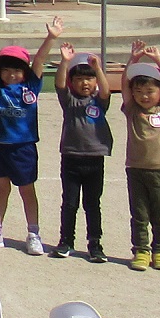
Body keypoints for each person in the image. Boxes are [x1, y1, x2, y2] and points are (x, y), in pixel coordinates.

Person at [0, 15, 62, 256]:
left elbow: (40, 60)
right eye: (7, 70)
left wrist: (51, 37)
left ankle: (33, 233)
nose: (12, 74)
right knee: (0, 188)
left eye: (17, 70)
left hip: (23, 146)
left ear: (24, 71)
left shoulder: (31, 84)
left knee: (27, 190)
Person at [120, 44, 160, 271]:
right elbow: (124, 82)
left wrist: (159, 59)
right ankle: (141, 250)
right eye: (140, 92)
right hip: (136, 169)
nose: (144, 96)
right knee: (139, 214)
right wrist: (132, 59)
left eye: (150, 91)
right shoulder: (132, 110)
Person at [52, 47, 112, 262]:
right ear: (72, 81)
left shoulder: (98, 102)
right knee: (70, 202)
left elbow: (106, 92)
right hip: (71, 158)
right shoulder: (69, 101)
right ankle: (66, 241)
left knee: (92, 203)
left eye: (89, 79)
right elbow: (59, 84)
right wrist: (65, 62)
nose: (85, 83)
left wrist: (98, 69)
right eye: (79, 79)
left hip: (95, 159)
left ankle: (95, 243)